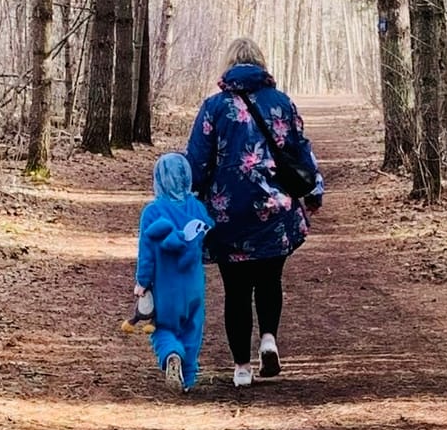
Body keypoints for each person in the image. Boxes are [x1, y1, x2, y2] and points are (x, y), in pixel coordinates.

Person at [185, 38, 323, 388]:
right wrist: (314, 191)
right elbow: (300, 151)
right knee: (269, 279)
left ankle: (241, 368)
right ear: (261, 65)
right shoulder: (282, 104)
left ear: (228, 65)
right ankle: (269, 340)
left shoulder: (214, 108)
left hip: (228, 213)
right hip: (275, 210)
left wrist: (189, 198)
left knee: (236, 290)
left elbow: (197, 161)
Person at [133, 152, 211, 391]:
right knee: (192, 327)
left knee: (163, 328)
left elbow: (146, 254)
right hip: (193, 284)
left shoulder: (153, 213)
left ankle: (171, 356)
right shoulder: (197, 208)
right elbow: (206, 241)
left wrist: (142, 282)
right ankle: (188, 378)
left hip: (166, 286)